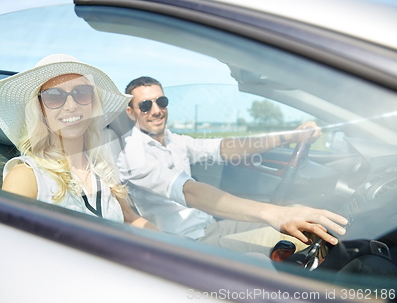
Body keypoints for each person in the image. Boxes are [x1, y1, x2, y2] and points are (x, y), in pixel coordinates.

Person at [116, 76, 348, 255]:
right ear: (131, 111)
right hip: (191, 244)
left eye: (161, 101)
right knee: (302, 237)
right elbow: (189, 190)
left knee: (309, 221)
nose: (156, 110)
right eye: (145, 105)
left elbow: (225, 147)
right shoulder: (133, 155)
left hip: (212, 227)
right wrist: (277, 214)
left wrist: (288, 137)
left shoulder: (174, 139)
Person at [0, 54, 157, 230]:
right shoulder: (26, 175)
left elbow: (130, 218)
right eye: (54, 96)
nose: (71, 106)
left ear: (92, 104)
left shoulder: (102, 167)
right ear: (40, 110)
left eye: (82, 93)